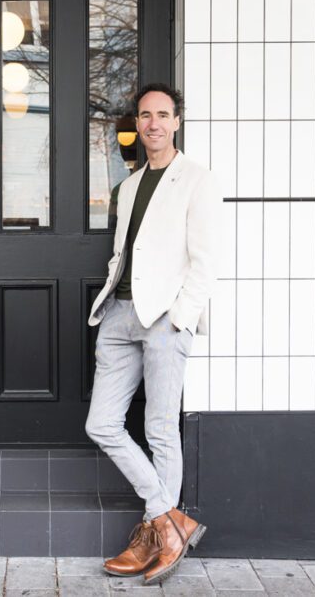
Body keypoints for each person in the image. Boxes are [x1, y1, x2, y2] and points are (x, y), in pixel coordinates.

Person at [85, 83, 222, 584]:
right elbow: (126, 254)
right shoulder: (127, 185)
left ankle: (152, 534)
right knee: (101, 424)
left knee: (161, 428)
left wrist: (180, 317)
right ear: (136, 124)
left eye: (163, 114)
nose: (154, 123)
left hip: (166, 317)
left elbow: (204, 262)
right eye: (145, 115)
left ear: (177, 122)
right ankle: (171, 523)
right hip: (120, 315)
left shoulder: (197, 180)